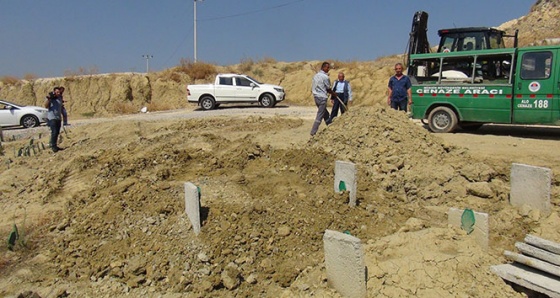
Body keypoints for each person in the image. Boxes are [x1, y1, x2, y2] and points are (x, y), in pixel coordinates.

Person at [310, 61, 336, 136]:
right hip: (322, 97)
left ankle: (330, 126)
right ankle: (313, 132)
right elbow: (328, 89)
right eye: (327, 68)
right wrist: (334, 94)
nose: (328, 69)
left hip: (316, 97)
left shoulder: (316, 76)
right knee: (320, 115)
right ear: (323, 67)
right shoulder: (325, 77)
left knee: (325, 113)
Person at [45, 87, 64, 152]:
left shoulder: (60, 97)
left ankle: (55, 145)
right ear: (54, 92)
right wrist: (49, 99)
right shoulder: (51, 98)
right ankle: (53, 146)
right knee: (54, 132)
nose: (58, 93)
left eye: (59, 92)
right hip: (52, 118)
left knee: (57, 132)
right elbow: (46, 106)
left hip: (58, 118)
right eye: (57, 92)